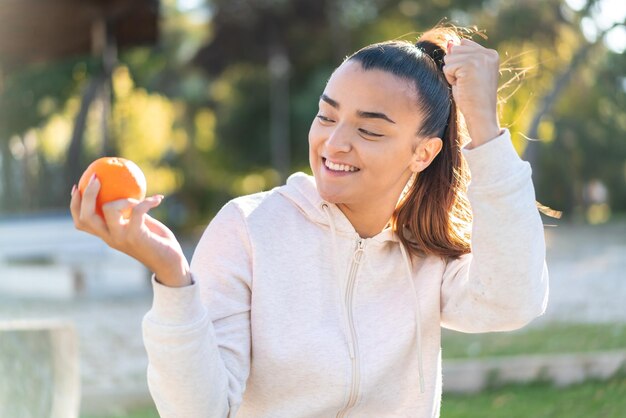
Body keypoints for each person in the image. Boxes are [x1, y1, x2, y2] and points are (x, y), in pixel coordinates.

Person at [70, 24, 549, 418]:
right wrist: (174, 278)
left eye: (368, 130)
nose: (335, 143)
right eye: (326, 116)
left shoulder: (424, 251)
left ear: (423, 153)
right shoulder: (248, 228)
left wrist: (484, 127)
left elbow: (514, 301)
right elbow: (200, 411)